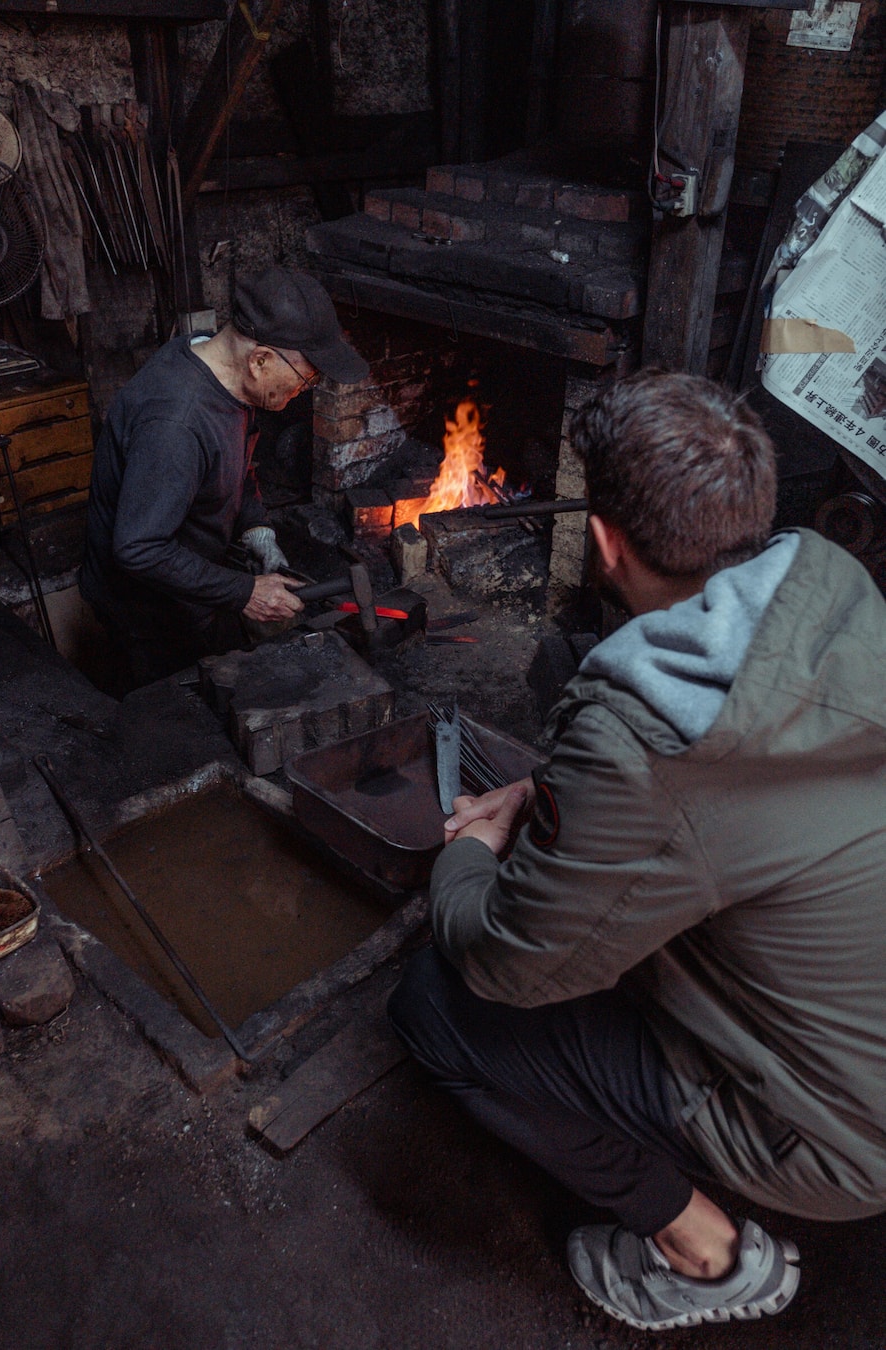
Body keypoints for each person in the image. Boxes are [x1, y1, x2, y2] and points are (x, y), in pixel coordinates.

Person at [388, 368, 886, 1332]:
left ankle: (705, 1255)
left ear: (605, 543)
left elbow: (504, 965)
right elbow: (733, 810)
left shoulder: (644, 746)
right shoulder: (842, 603)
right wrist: (562, 795)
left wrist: (473, 853)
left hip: (842, 1134)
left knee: (435, 1009)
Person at [79, 267, 368, 689]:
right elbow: (138, 548)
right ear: (260, 359)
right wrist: (244, 592)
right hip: (147, 610)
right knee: (186, 720)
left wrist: (256, 528)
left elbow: (235, 462)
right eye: (308, 377)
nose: (307, 388)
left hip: (195, 581)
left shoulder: (222, 373)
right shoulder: (175, 424)